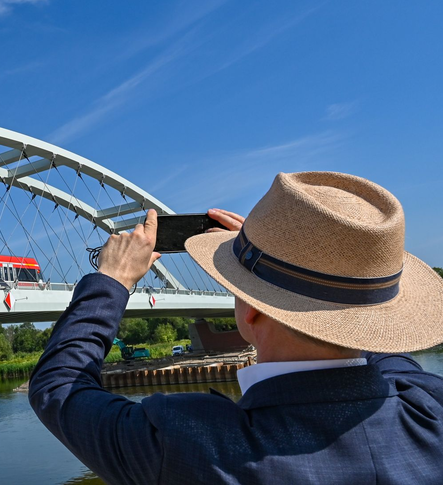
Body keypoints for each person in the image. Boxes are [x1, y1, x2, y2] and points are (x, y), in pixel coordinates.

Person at [29, 171, 443, 484]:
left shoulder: (184, 444)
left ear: (250, 312)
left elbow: (59, 386)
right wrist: (276, 258)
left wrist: (112, 280)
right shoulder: (429, 408)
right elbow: (379, 345)